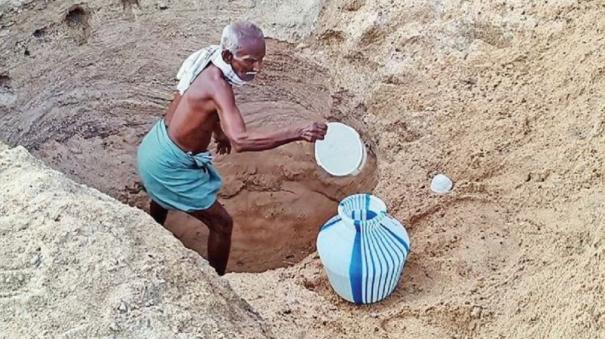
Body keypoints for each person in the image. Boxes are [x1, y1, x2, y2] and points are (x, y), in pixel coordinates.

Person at [136, 21, 327, 275]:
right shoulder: (219, 86)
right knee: (222, 224)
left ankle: (153, 227)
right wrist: (299, 132)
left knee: (161, 194)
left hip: (155, 146)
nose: (257, 68)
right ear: (228, 55)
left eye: (260, 60)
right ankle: (219, 280)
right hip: (168, 165)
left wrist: (216, 132)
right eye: (250, 60)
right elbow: (241, 140)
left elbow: (196, 104)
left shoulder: (207, 58)